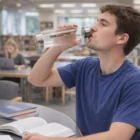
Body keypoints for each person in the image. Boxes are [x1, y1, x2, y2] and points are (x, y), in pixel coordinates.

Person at [24, 4, 140, 140]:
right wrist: (59, 46)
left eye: (103, 24)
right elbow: (36, 79)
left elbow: (116, 137)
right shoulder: (85, 66)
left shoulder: (134, 81)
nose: (92, 28)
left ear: (122, 38)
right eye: (97, 21)